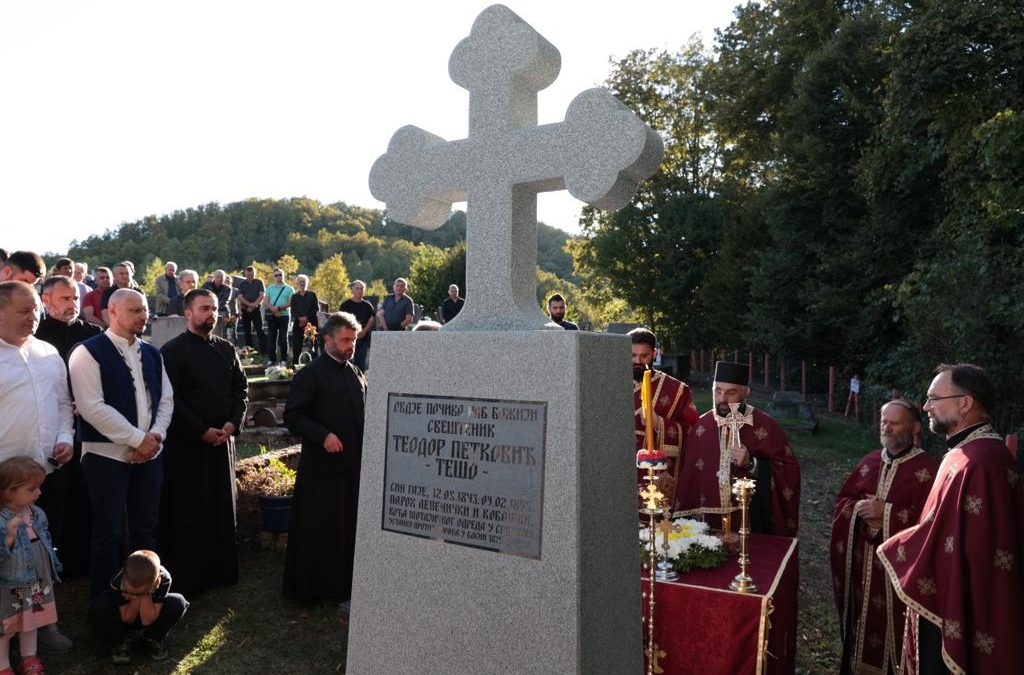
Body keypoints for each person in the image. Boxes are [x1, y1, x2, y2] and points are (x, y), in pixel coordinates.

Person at [877, 364, 1023, 674]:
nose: (926, 407)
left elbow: (975, 549)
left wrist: (898, 547)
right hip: (953, 590)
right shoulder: (967, 453)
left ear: (965, 403)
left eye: (934, 398)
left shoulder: (978, 461)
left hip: (964, 601)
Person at [68, 288, 174, 598]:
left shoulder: (152, 352)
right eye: (135, 310)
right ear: (111, 311)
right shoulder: (87, 352)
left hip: (150, 455)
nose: (143, 316)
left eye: (144, 310)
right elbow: (91, 406)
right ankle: (106, 603)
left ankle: (147, 597)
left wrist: (155, 438)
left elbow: (165, 400)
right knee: (108, 532)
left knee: (146, 528)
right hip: (105, 456)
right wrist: (138, 440)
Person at [830, 400, 939, 675]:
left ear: (915, 428)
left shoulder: (929, 470)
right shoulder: (869, 462)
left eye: (894, 423)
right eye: (883, 421)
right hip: (863, 570)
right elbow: (843, 502)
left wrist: (887, 513)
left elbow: (934, 523)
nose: (886, 427)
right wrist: (860, 511)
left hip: (899, 578)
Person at [0, 282, 77, 642]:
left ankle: (44, 625)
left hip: (47, 475)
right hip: (3, 483)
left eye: (35, 309)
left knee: (43, 553)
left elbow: (63, 405)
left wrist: (65, 439)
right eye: (23, 311)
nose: (33, 317)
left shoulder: (48, 352)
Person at [159, 288, 247, 596]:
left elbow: (241, 390)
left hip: (222, 444)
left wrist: (232, 423)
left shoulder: (226, 349)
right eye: (205, 308)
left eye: (215, 308)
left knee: (222, 508)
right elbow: (170, 400)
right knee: (190, 510)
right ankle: (191, 578)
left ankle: (221, 572)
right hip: (187, 447)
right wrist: (200, 431)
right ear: (188, 313)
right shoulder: (172, 352)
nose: (212, 314)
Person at [283, 312, 366, 603]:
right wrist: (323, 435)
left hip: (352, 467)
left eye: (353, 340)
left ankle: (345, 584)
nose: (350, 346)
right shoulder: (310, 374)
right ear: (328, 339)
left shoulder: (355, 373)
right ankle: (317, 589)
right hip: (322, 470)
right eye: (345, 340)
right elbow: (293, 416)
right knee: (322, 529)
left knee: (346, 529)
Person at [673, 361, 801, 536]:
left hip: (752, 518)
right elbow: (689, 477)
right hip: (708, 524)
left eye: (731, 392)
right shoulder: (702, 426)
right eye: (718, 391)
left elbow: (789, 471)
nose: (722, 399)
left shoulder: (765, 426)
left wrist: (751, 463)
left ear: (745, 392)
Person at [34, 276, 101, 578]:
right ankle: (50, 563)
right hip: (50, 429)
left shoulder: (93, 335)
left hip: (89, 427)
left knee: (85, 493)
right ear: (46, 300)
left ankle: (82, 560)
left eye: (75, 298)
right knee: (54, 496)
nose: (72, 304)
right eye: (65, 298)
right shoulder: (36, 338)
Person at [0, 457, 64, 675]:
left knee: (32, 618)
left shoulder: (37, 513)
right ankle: (3, 665)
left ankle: (29, 658)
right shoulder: (2, 520)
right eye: (31, 489)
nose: (39, 492)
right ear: (8, 492)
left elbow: (45, 541)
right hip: (10, 586)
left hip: (37, 579)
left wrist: (52, 567)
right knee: (7, 624)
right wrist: (9, 537)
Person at [628, 327, 698, 502]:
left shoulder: (676, 390)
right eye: (632, 355)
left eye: (644, 356)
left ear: (654, 354)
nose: (637, 361)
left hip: (654, 477)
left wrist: (658, 423)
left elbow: (693, 432)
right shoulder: (608, 384)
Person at [88, 549, 189, 665]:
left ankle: (151, 638)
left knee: (178, 602)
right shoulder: (117, 581)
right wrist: (140, 596)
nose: (135, 593)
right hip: (123, 618)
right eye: (130, 591)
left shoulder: (164, 579)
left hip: (149, 614)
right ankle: (120, 640)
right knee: (100, 604)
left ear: (155, 582)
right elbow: (127, 618)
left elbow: (147, 620)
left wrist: (140, 596)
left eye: (140, 592)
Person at [340, 280, 375, 371]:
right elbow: (341, 321)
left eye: (362, 289)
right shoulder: (345, 305)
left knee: (361, 365)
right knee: (347, 363)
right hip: (348, 339)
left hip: (363, 339)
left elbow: (371, 320)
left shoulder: (367, 306)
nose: (360, 290)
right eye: (357, 288)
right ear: (352, 290)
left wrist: (363, 331)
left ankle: (359, 379)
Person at [264, 269, 294, 363]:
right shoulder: (269, 288)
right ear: (274, 277)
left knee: (283, 338)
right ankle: (271, 359)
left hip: (284, 316)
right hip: (272, 316)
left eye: (280, 275)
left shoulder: (289, 288)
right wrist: (273, 310)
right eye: (276, 275)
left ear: (283, 275)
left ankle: (283, 359)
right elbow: (266, 302)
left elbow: (290, 303)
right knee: (271, 338)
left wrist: (278, 308)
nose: (278, 277)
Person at [289, 274, 319, 366]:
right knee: (296, 345)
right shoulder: (294, 297)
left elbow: (316, 309)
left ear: (307, 283)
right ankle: (295, 366)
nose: (302, 283)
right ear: (297, 284)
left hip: (312, 323)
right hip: (298, 324)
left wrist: (306, 319)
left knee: (315, 344)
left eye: (304, 281)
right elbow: (292, 311)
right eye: (300, 282)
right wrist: (300, 319)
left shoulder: (312, 295)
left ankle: (315, 365)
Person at [235, 266, 266, 352]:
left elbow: (262, 295)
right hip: (245, 309)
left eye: (252, 275)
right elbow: (240, 297)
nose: (250, 277)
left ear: (254, 274)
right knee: (247, 330)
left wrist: (253, 305)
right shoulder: (242, 284)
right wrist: (249, 305)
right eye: (248, 275)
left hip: (256, 309)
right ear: (245, 274)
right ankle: (249, 350)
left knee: (260, 329)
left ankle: (263, 351)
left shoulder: (259, 282)